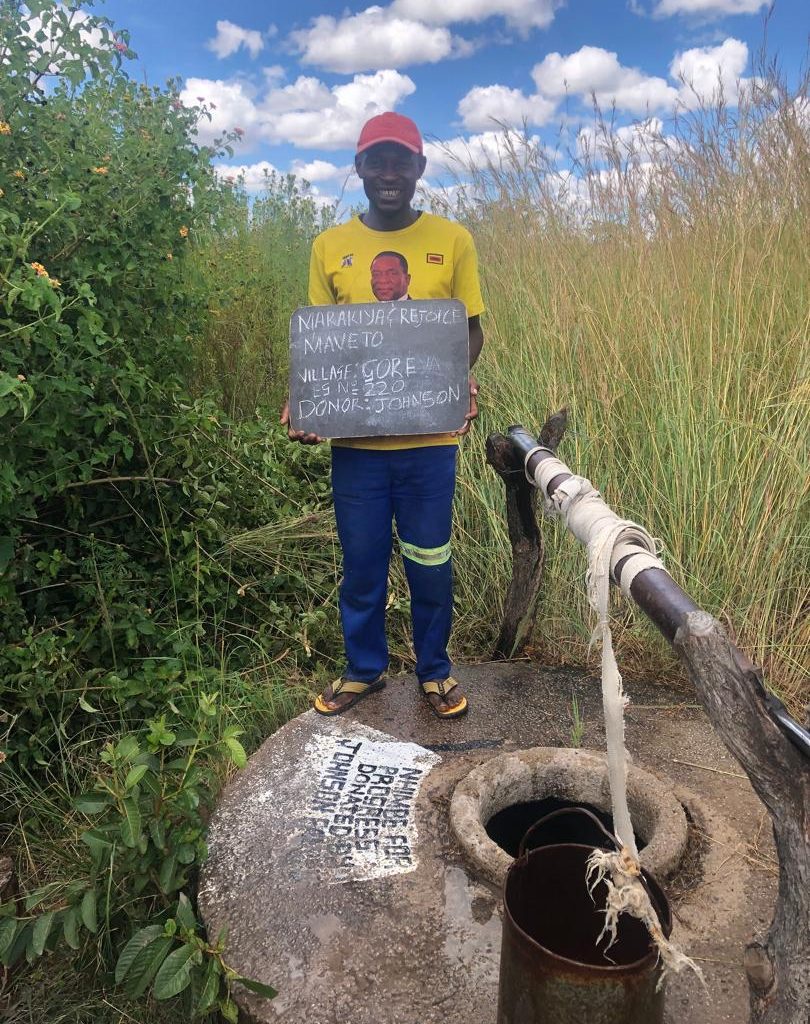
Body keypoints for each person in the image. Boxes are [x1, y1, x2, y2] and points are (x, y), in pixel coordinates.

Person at [281, 111, 484, 719]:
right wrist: (305, 398)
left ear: (420, 168)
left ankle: (435, 671)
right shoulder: (329, 247)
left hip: (430, 445)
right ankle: (364, 670)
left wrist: (456, 378)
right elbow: (320, 345)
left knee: (430, 562)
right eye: (377, 160)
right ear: (360, 168)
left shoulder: (453, 241)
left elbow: (469, 331)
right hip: (359, 453)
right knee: (362, 564)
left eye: (401, 161)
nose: (389, 173)